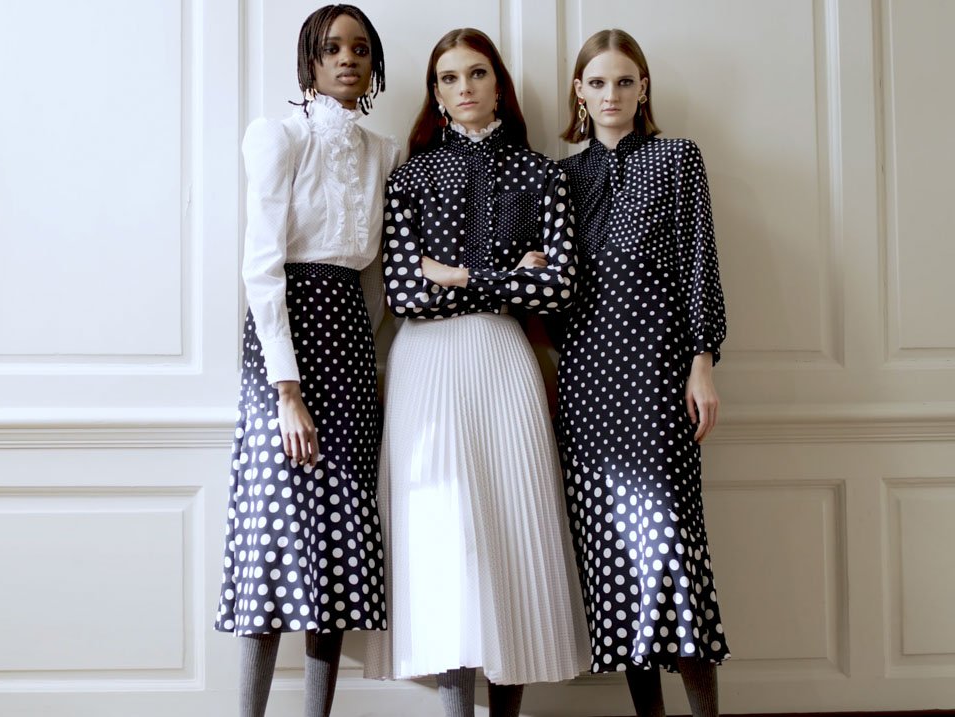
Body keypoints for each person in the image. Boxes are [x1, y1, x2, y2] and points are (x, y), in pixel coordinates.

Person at [364, 27, 588, 717]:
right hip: (425, 367)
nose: (464, 88)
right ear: (435, 92)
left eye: (477, 73)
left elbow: (559, 288)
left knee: (509, 539)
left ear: (499, 84)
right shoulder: (409, 176)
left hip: (504, 362)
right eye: (449, 78)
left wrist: (455, 275)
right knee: (444, 545)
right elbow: (403, 290)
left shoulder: (543, 173)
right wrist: (506, 274)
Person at [212, 5, 397, 717]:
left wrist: (375, 362)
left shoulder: (383, 151)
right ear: (310, 62)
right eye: (330, 49)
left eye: (358, 48)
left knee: (338, 550)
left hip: (349, 342)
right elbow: (261, 265)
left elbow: (376, 277)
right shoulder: (278, 136)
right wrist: (286, 388)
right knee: (272, 535)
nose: (345, 59)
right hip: (284, 349)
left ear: (372, 61)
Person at [554, 28, 730, 717]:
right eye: (597, 83)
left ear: (644, 87)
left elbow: (699, 261)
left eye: (624, 81)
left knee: (670, 555)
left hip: (660, 373)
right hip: (588, 383)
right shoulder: (563, 176)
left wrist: (703, 362)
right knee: (617, 562)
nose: (610, 95)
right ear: (579, 91)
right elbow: (551, 292)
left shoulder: (677, 159)